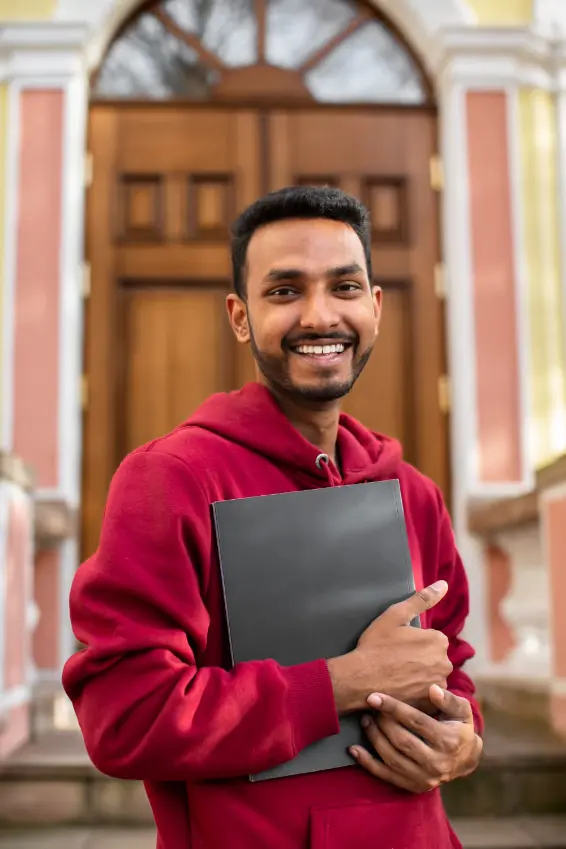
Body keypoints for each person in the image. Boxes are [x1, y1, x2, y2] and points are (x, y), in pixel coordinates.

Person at [63, 186, 483, 849]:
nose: (320, 315)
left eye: (344, 286)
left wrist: (463, 739)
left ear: (374, 307)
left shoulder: (413, 493)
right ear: (239, 315)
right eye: (285, 291)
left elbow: (449, 663)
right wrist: (344, 681)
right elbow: (126, 715)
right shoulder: (170, 479)